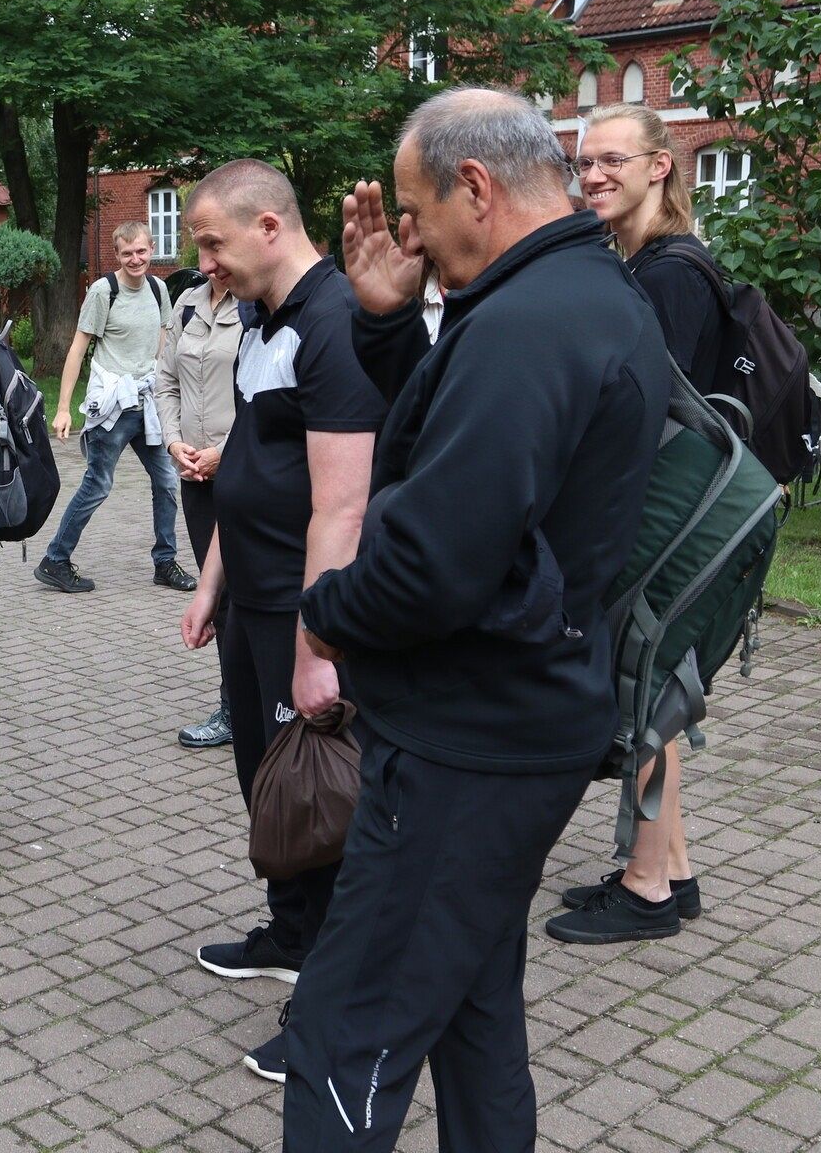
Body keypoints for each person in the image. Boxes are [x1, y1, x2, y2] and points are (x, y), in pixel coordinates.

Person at [284, 88, 670, 1150]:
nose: (408, 234)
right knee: (472, 1017)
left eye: (416, 211)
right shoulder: (570, 296)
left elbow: (434, 561)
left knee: (345, 1035)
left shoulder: (533, 322)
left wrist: (322, 614)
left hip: (467, 744)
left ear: (478, 187)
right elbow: (475, 466)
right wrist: (389, 321)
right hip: (517, 723)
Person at [177, 160, 383, 1083]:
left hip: (303, 614)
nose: (206, 265)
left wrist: (316, 646)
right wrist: (211, 579)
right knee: (268, 784)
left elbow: (340, 507)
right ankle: (291, 931)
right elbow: (252, 465)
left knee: (324, 800)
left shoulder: (334, 320)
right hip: (251, 598)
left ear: (269, 226)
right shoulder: (264, 319)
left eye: (214, 244)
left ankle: (332, 1006)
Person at [543, 102, 718, 945]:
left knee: (646, 691)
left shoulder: (670, 276)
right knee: (659, 691)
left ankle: (647, 889)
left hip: (661, 518)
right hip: (665, 514)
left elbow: (650, 416)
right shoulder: (645, 263)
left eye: (613, 159)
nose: (594, 175)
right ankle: (670, 871)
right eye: (584, 164)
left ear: (660, 167)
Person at [35, 221, 195, 595]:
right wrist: (63, 409)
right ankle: (56, 559)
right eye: (127, 254)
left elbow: (162, 344)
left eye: (141, 251)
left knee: (168, 481)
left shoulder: (158, 290)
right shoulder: (103, 291)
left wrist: (169, 392)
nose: (135, 259)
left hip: (148, 403)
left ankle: (165, 562)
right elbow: (77, 349)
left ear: (151, 249)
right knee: (99, 484)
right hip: (113, 406)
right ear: (117, 254)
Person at [155, 268, 242, 748]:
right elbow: (164, 382)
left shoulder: (255, 306)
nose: (207, 261)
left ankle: (269, 701)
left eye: (215, 246)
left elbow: (267, 397)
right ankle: (233, 707)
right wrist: (173, 443)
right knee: (222, 597)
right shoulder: (187, 302)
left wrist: (225, 452)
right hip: (195, 476)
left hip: (245, 471)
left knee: (255, 587)